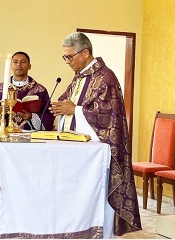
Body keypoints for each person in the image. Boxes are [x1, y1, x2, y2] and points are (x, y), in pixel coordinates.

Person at [49, 32, 142, 237]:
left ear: (85, 53)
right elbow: (69, 103)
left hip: (96, 154)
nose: (67, 61)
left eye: (70, 56)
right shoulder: (80, 77)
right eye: (64, 57)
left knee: (96, 196)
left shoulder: (105, 77)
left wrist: (76, 111)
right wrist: (57, 109)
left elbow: (109, 116)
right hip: (75, 151)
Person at [0, 51, 55, 131]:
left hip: (30, 137)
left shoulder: (40, 90)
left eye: (23, 62)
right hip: (4, 134)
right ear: (11, 66)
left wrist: (31, 117)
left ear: (29, 66)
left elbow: (48, 116)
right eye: (15, 62)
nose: (19, 65)